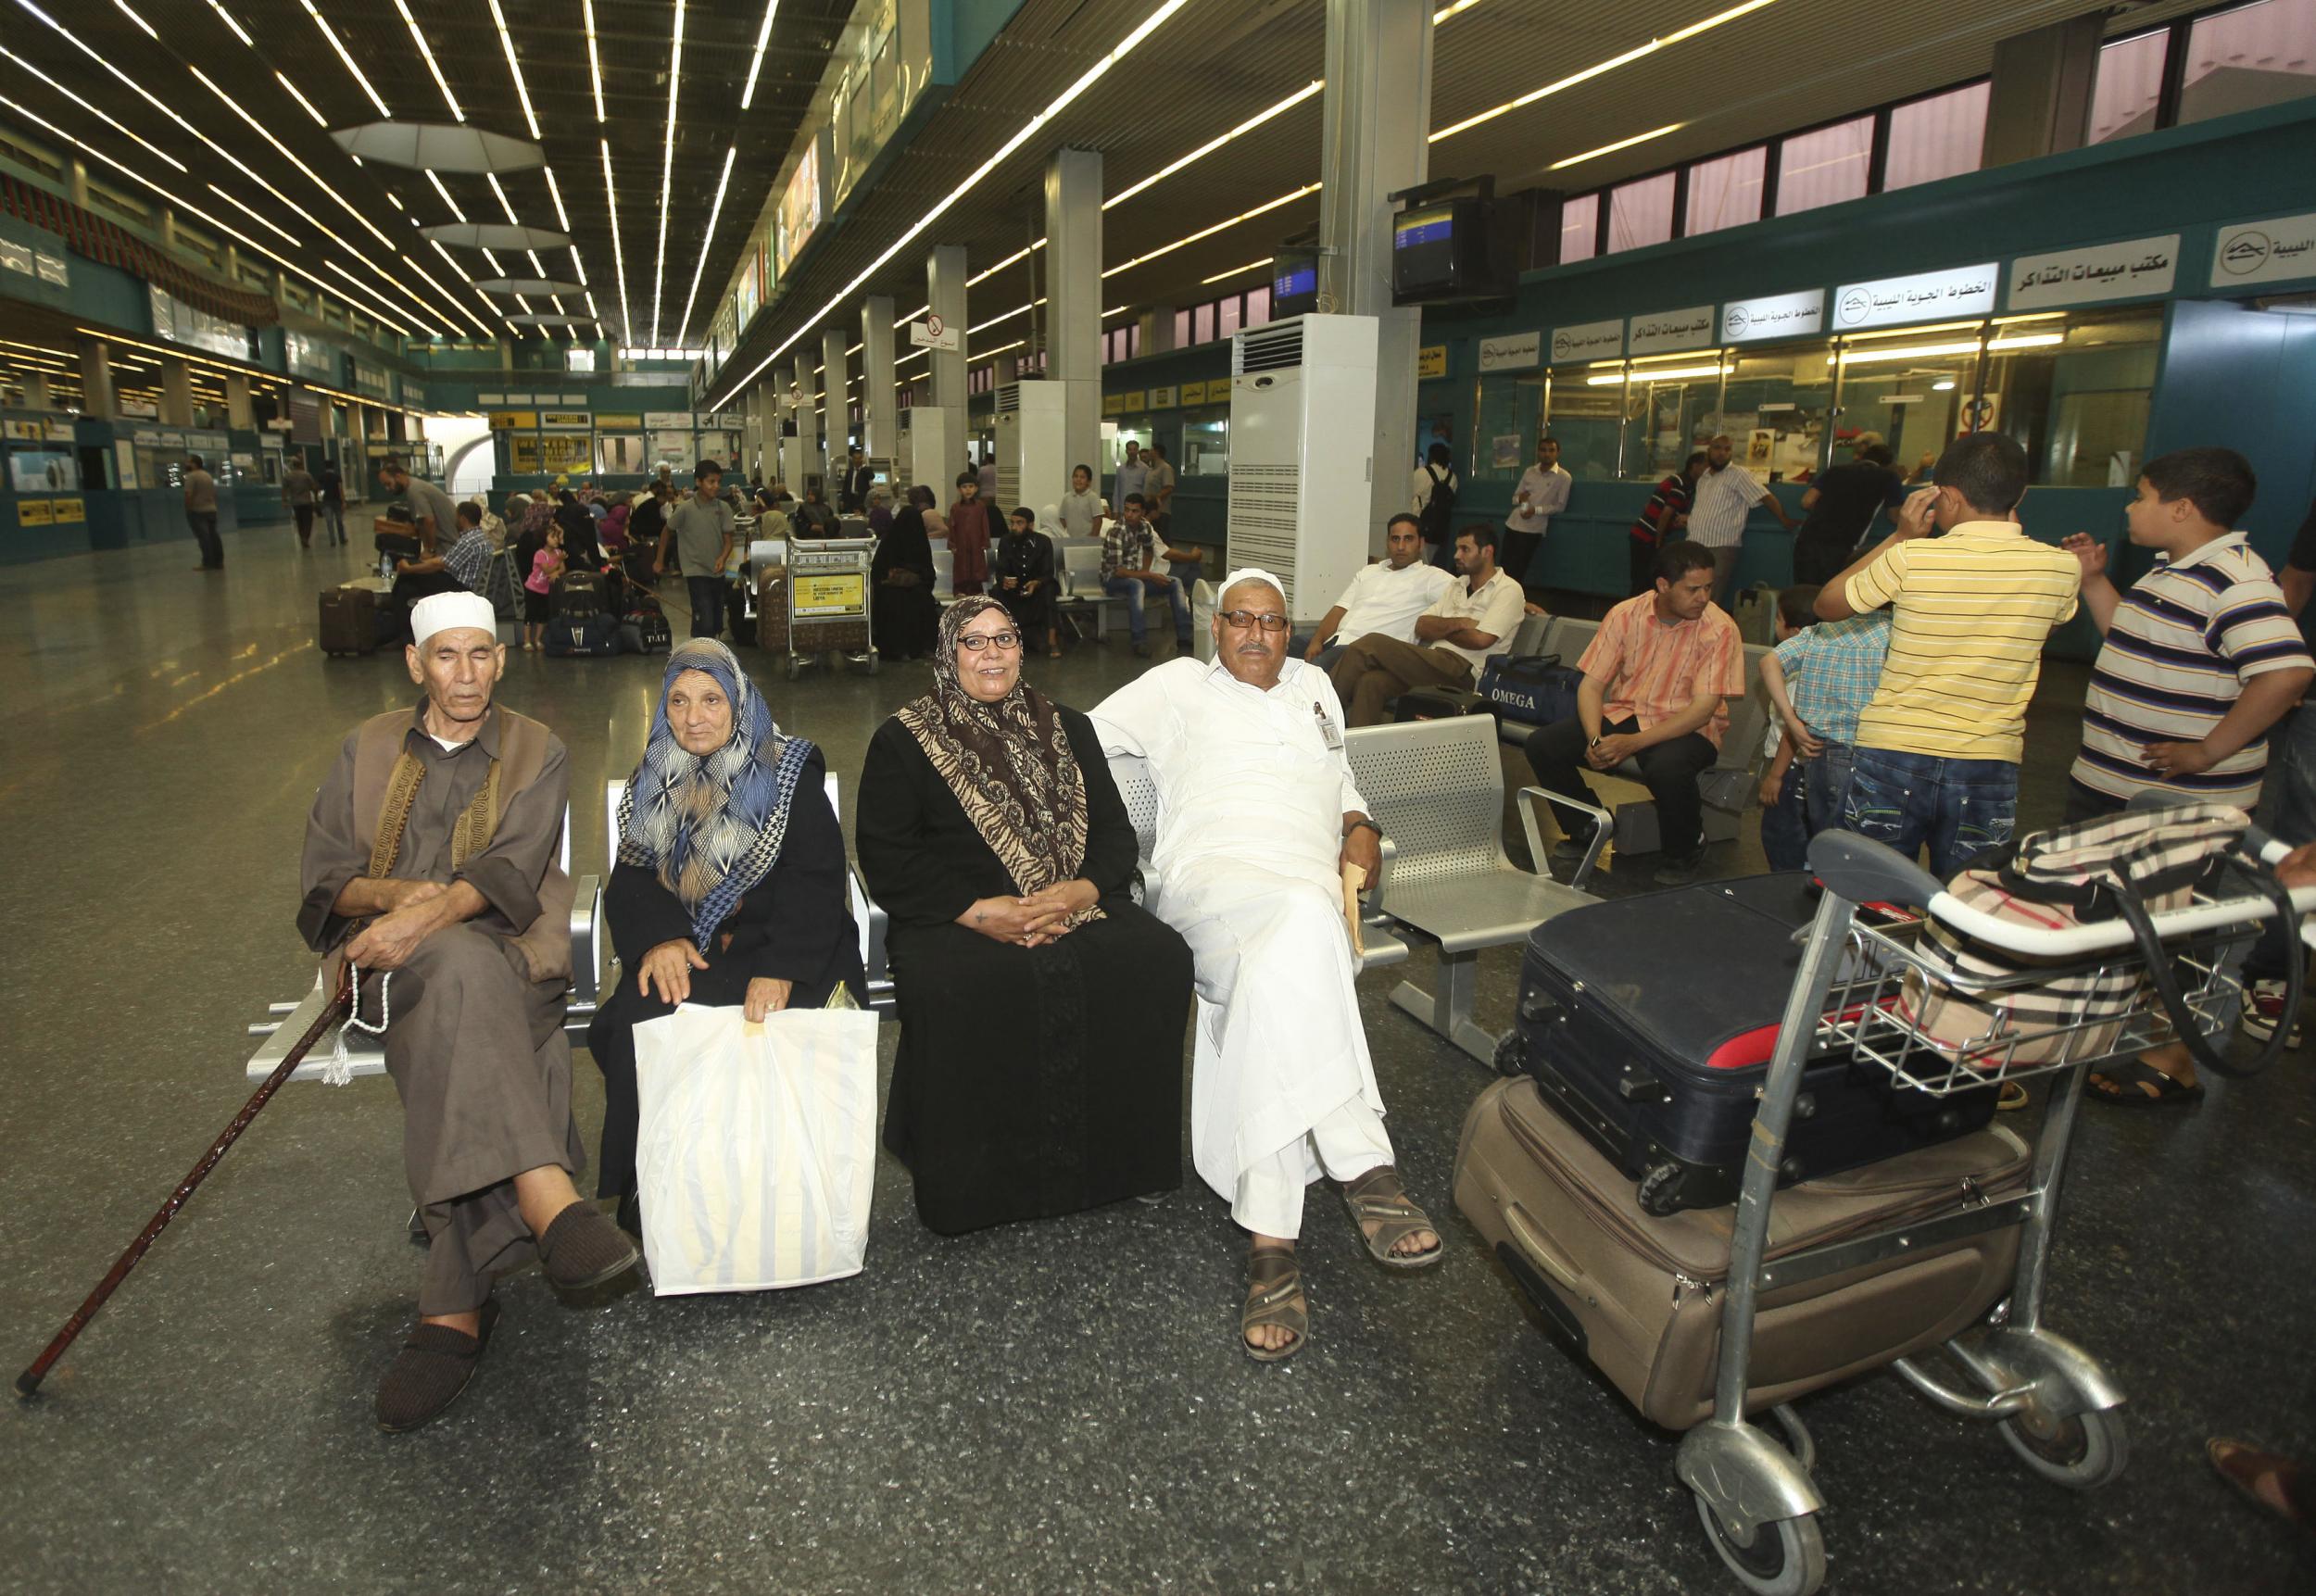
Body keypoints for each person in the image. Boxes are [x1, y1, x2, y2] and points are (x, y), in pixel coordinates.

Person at [297, 591, 637, 1431]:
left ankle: (453, 1309)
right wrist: (400, 902)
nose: (465, 674)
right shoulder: (367, 745)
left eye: (480, 655)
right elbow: (325, 880)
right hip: (391, 976)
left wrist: (428, 915)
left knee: (469, 977)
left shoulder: (537, 748)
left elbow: (514, 872)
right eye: (446, 657)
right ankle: (547, 1196)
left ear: (502, 657)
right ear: (416, 664)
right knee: (476, 993)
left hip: (511, 953)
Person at [1092, 570, 1443, 1362]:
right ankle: (1364, 1166)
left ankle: (1272, 1246)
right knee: (1301, 930)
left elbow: (1340, 776)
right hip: (1211, 883)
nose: (1257, 634)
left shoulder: (1318, 685)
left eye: (1274, 622)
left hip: (1312, 885)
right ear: (1215, 627)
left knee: (1285, 961)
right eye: (1241, 620)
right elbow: (1078, 735)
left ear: (1292, 631)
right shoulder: (1177, 686)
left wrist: (1361, 821)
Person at [858, 598, 1192, 1236]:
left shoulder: (1067, 726)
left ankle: (1128, 1165)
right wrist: (983, 912)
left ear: (1021, 646)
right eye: (973, 641)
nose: (991, 654)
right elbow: (889, 853)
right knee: (959, 984)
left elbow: (1117, 838)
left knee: (1156, 959)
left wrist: (1077, 892)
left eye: (1004, 639)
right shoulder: (904, 739)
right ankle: (974, 1189)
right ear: (947, 653)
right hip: (955, 913)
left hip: (1069, 899)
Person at [2054, 448, 2312, 1108]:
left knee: (2179, 928)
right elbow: (2131, 643)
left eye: (2139, 496)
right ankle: (2112, 1034)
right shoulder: (2173, 571)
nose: (2129, 508)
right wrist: (2093, 584)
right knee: (2121, 919)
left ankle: (2173, 1060)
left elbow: (2287, 672)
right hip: (2116, 788)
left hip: (2180, 802)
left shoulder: (2235, 581)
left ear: (2182, 508)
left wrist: (2207, 750)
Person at [586, 640, 864, 1235]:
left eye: (712, 699)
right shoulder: (654, 776)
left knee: (783, 1023)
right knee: (637, 1017)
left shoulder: (787, 771)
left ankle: (783, 1193)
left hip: (789, 944)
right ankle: (659, 1185)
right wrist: (658, 939)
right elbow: (633, 872)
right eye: (679, 701)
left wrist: (783, 966)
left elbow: (817, 878)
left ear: (738, 702)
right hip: (696, 946)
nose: (694, 717)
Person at [1812, 433, 2082, 879]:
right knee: (1968, 895)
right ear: (2021, 495)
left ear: (1948, 496)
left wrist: (1899, 536)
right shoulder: (2060, 567)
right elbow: (2042, 628)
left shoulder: (1913, 557)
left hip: (1894, 752)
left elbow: (1827, 604)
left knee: (1867, 888)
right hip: (1988, 761)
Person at [1524, 540, 1746, 888]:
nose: (1703, 597)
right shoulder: (1626, 614)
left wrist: (1633, 743)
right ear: (1663, 585)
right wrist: (1596, 737)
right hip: (1628, 711)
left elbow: (1703, 709)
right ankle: (1587, 825)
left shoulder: (1719, 628)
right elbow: (1592, 686)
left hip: (1688, 726)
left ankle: (1686, 848)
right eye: (1693, 589)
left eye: (1708, 587)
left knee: (1666, 767)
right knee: (1544, 744)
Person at [1331, 524, 1525, 727]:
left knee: (1370, 643)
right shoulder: (1457, 585)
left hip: (1464, 672)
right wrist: (1460, 623)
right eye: (1457, 549)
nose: (1457, 555)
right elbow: (1422, 626)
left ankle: (1315, 718)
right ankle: (1360, 754)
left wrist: (1441, 628)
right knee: (1371, 682)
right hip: (1433, 664)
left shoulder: (1508, 590)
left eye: (1465, 549)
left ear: (1487, 552)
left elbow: (1481, 639)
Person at [1757, 585, 1892, 860]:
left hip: (1821, 752)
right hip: (1870, 749)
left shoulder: (1821, 631)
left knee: (1824, 835)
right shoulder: (1892, 633)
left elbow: (1769, 662)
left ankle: (1824, 893)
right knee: (1863, 843)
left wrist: (1792, 719)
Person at [1300, 515, 1456, 672]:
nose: (1401, 546)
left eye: (1408, 539)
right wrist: (1317, 640)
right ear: (1387, 543)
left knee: (1314, 671)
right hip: (1336, 639)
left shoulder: (1431, 578)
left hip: (1368, 653)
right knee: (1288, 646)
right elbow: (1340, 610)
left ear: (1421, 544)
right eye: (1395, 539)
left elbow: (1466, 593)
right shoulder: (1369, 571)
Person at [1755, 586, 1825, 873]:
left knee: (1783, 835)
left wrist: (1775, 775)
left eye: (1778, 618)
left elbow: (1795, 728)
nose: (1775, 625)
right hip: (1801, 770)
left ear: (1795, 631)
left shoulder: (1797, 675)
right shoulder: (1823, 665)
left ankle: (1786, 887)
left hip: (1792, 771)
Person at [1689, 434, 1797, 605]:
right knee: (1689, 594)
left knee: (1708, 598)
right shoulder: (1704, 477)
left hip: (1720, 546)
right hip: (1694, 544)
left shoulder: (1738, 474)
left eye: (1727, 449)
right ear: (1709, 450)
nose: (1722, 453)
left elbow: (1765, 496)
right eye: (1717, 448)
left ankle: (1706, 631)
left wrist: (1784, 519)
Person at [1792, 443, 1905, 586]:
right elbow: (1894, 516)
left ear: (1862, 456)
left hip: (1808, 539)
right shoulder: (1889, 477)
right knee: (1832, 593)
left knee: (1804, 592)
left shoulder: (1835, 470)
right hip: (1841, 545)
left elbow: (1806, 502)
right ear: (1888, 464)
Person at [1099, 493, 1189, 658]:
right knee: (1137, 584)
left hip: (1134, 578)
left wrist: (1146, 572)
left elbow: (1148, 550)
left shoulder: (1145, 527)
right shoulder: (1117, 532)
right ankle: (1139, 641)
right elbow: (1118, 571)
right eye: (1127, 510)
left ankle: (1184, 637)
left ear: (1142, 513)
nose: (1129, 515)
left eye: (1134, 511)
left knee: (1175, 582)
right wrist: (1148, 575)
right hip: (1112, 581)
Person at [660, 459, 736, 639]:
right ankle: (701, 654)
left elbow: (729, 541)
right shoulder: (685, 509)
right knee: (704, 615)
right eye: (711, 482)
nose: (716, 486)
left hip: (717, 571)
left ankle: (710, 651)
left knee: (716, 618)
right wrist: (659, 559)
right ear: (698, 482)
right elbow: (666, 531)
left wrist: (722, 558)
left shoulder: (723, 508)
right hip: (695, 570)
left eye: (718, 481)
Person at [872, 493, 940, 661]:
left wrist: (914, 575)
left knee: (923, 601)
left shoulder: (903, 542)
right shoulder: (895, 543)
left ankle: (917, 649)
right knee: (897, 602)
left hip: (915, 588)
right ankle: (901, 650)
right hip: (891, 589)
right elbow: (878, 574)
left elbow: (929, 575)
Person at [1630, 449, 1706, 596]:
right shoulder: (1682, 484)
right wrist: (1658, 542)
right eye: (1705, 466)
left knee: (1643, 580)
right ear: (1695, 466)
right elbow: (1666, 513)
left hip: (1643, 534)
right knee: (1642, 581)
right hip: (1646, 537)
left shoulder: (1681, 482)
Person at [1502, 435, 1570, 594]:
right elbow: (1515, 498)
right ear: (1538, 452)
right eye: (1543, 450)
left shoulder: (1563, 477)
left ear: (1557, 453)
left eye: (1551, 450)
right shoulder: (1530, 471)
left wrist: (1535, 510)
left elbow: (1559, 506)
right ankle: (1498, 597)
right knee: (1504, 567)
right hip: (1513, 523)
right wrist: (1521, 499)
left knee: (1518, 569)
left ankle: (1511, 599)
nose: (1547, 454)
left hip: (1533, 529)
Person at [393, 502, 495, 600]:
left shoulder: (467, 541)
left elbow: (440, 565)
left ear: (463, 519)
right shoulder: (482, 538)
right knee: (407, 581)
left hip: (459, 587)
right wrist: (419, 563)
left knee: (407, 576)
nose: (455, 521)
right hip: (469, 583)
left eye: (456, 517)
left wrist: (409, 569)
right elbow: (447, 559)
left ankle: (391, 603)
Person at [994, 503, 1059, 658]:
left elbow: (1048, 571)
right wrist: (1005, 580)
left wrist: (1036, 582)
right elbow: (1000, 570)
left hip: (1037, 585)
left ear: (1030, 525)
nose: (1014, 527)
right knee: (997, 591)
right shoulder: (1006, 541)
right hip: (1015, 587)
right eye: (1013, 523)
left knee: (1049, 591)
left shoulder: (1043, 542)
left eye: (1019, 523)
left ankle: (1052, 641)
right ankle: (1003, 641)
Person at [379, 455, 460, 567]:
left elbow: (429, 521)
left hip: (448, 548)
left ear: (398, 476)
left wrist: (430, 550)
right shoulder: (415, 487)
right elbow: (422, 524)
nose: (387, 489)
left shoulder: (414, 491)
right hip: (448, 545)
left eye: (388, 484)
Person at [946, 470, 996, 597]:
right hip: (960, 543)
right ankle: (959, 591)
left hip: (976, 543)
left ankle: (976, 590)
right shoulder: (955, 507)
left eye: (971, 486)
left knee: (977, 566)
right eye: (964, 487)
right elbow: (952, 526)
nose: (968, 490)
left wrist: (985, 541)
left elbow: (984, 524)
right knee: (960, 567)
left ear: (976, 488)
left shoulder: (980, 506)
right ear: (959, 489)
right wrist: (952, 543)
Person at [1414, 440, 1461, 572]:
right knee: (1435, 560)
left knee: (1420, 561)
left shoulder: (1422, 472)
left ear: (1431, 456)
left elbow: (1411, 494)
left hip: (1421, 520)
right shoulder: (1453, 477)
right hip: (1441, 525)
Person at [522, 523, 565, 652]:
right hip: (533, 588)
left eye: (557, 537)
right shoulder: (540, 554)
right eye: (552, 537)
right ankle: (527, 640)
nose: (556, 540)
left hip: (545, 590)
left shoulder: (558, 553)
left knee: (543, 615)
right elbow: (547, 570)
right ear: (543, 539)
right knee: (530, 614)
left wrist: (557, 572)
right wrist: (558, 562)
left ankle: (537, 639)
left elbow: (563, 568)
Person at [183, 451, 222, 572]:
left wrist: (188, 508)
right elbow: (214, 493)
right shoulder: (207, 475)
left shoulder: (191, 476)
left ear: (194, 464)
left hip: (197, 511)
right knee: (213, 536)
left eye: (188, 462)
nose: (186, 464)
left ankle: (207, 563)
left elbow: (188, 494)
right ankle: (218, 562)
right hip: (211, 509)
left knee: (203, 538)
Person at [1059, 463, 1105, 542]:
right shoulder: (1066, 498)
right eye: (1076, 476)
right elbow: (1062, 522)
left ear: (1089, 481)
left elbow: (1098, 522)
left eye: (1082, 477)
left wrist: (1090, 540)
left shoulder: (1093, 497)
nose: (1078, 480)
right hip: (1070, 541)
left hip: (1089, 541)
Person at [282, 456, 320, 549]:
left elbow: (284, 490)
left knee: (300, 521)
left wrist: (284, 501)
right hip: (306, 501)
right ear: (301, 465)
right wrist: (316, 498)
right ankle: (305, 538)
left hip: (295, 502)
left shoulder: (288, 476)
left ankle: (302, 537)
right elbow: (314, 487)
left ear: (293, 466)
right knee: (308, 521)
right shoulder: (306, 475)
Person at [1145, 441, 1177, 534]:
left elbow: (1169, 488)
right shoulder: (1150, 470)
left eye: (1151, 450)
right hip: (1149, 510)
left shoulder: (1166, 468)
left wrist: (1155, 499)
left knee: (1162, 537)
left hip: (1161, 511)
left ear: (1156, 452)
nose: (1149, 453)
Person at [1113, 440, 1150, 512]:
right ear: (1126, 451)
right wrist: (1115, 510)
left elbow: (1146, 491)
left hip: (1137, 511)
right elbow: (1117, 490)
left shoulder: (1145, 469)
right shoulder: (1121, 469)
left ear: (1138, 451)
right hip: (1122, 510)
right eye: (1130, 449)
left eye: (1134, 449)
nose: (1132, 452)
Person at [321, 461, 347, 547]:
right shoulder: (337, 477)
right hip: (337, 501)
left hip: (326, 501)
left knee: (329, 521)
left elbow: (320, 490)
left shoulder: (322, 477)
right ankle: (342, 539)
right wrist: (343, 502)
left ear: (325, 467)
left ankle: (332, 541)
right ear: (333, 467)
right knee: (339, 521)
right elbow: (340, 489)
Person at [843, 446, 875, 514]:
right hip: (851, 499)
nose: (857, 460)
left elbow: (872, 476)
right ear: (853, 459)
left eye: (859, 458)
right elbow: (845, 486)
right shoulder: (849, 471)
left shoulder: (866, 470)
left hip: (862, 499)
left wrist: (863, 466)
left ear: (861, 459)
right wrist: (843, 500)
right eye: (855, 458)